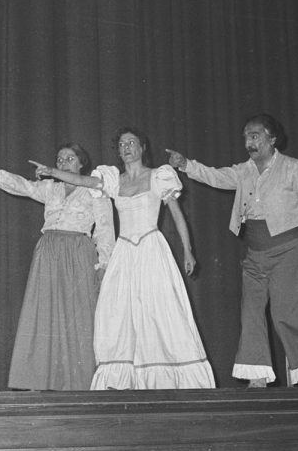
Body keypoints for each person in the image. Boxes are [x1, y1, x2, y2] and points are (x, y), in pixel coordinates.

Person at [32, 127, 216, 390]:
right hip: (124, 252)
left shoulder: (159, 176)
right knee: (117, 312)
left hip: (151, 249)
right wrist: (53, 172)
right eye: (121, 144)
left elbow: (177, 214)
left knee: (159, 310)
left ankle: (167, 379)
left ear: (142, 147)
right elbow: (84, 181)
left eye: (131, 143)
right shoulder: (113, 179)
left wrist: (188, 249)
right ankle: (121, 380)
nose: (126, 147)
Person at [166, 113, 298, 387]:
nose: (249, 143)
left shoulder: (293, 168)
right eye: (246, 137)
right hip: (255, 253)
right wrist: (186, 165)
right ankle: (257, 376)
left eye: (255, 136)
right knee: (251, 314)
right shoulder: (243, 171)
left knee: (286, 315)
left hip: (288, 251)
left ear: (272, 139)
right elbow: (216, 176)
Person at [0, 143, 115, 390]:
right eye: (59, 159)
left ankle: (81, 382)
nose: (63, 163)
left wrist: (103, 266)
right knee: (44, 315)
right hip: (49, 253)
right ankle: (41, 380)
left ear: (82, 163)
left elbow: (105, 231)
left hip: (78, 254)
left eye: (70, 159)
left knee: (79, 317)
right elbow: (24, 186)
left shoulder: (95, 191)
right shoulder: (51, 188)